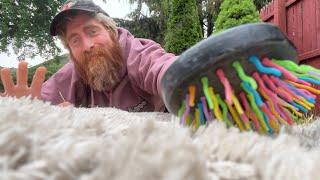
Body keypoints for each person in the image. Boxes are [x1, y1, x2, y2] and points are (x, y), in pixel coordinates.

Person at [0, 0, 177, 112]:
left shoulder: (137, 52)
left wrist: (181, 77)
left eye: (92, 31)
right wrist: (21, 108)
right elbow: (38, 100)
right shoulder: (75, 70)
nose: (87, 46)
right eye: (75, 40)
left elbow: (163, 68)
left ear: (110, 31)